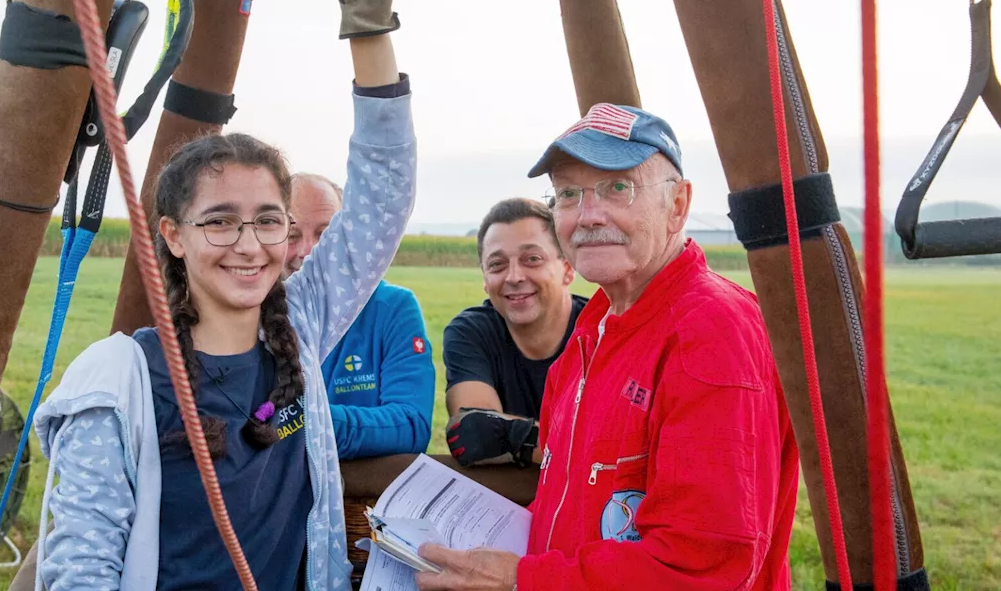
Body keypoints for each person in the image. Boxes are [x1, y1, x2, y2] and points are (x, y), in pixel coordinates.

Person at [31, 0, 416, 590]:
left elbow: (385, 183)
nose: (248, 246)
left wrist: (369, 21)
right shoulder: (120, 382)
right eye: (220, 222)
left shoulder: (300, 329)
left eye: (268, 220)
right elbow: (79, 568)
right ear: (173, 236)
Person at [415, 103, 798, 591]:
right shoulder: (595, 325)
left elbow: (701, 568)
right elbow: (570, 498)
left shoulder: (711, 331)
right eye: (569, 194)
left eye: (618, 187)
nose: (587, 215)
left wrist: (520, 578)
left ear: (677, 205)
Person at [285, 173, 435, 459]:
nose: (308, 251)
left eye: (326, 234)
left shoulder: (393, 307)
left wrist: (299, 422)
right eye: (292, 235)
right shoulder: (252, 314)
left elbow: (411, 425)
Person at [442, 198, 586, 467]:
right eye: (497, 265)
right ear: (485, 280)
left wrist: (514, 436)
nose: (514, 276)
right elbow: (475, 431)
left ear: (567, 270)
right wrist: (583, 446)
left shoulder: (602, 331)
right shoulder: (471, 332)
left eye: (532, 259)